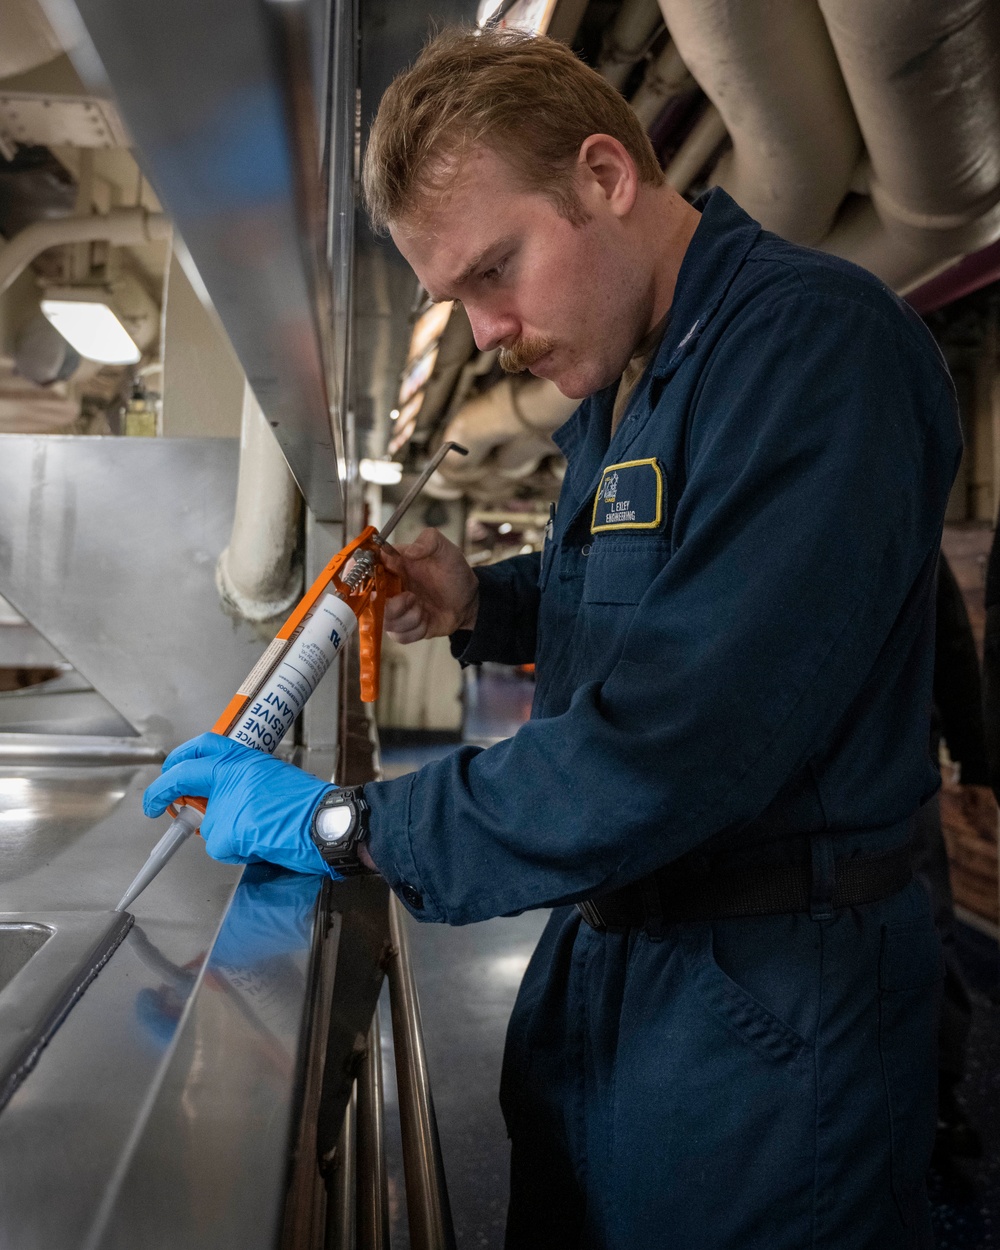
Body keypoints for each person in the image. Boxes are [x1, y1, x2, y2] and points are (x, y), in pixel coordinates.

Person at [144, 27, 963, 1249]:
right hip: (623, 970)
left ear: (603, 174)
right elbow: (638, 583)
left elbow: (669, 742)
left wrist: (344, 822)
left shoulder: (813, 351)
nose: (484, 331)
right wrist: (482, 600)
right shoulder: (629, 370)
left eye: (493, 272)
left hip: (779, 1012)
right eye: (456, 298)